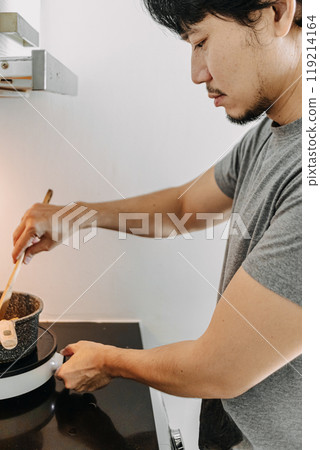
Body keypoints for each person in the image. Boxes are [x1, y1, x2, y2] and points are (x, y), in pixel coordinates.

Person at [12, 1, 302, 449]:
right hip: (234, 425)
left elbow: (218, 367)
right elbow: (184, 208)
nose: (196, 73)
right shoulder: (272, 134)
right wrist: (76, 215)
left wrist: (108, 361)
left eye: (202, 42)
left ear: (279, 12)